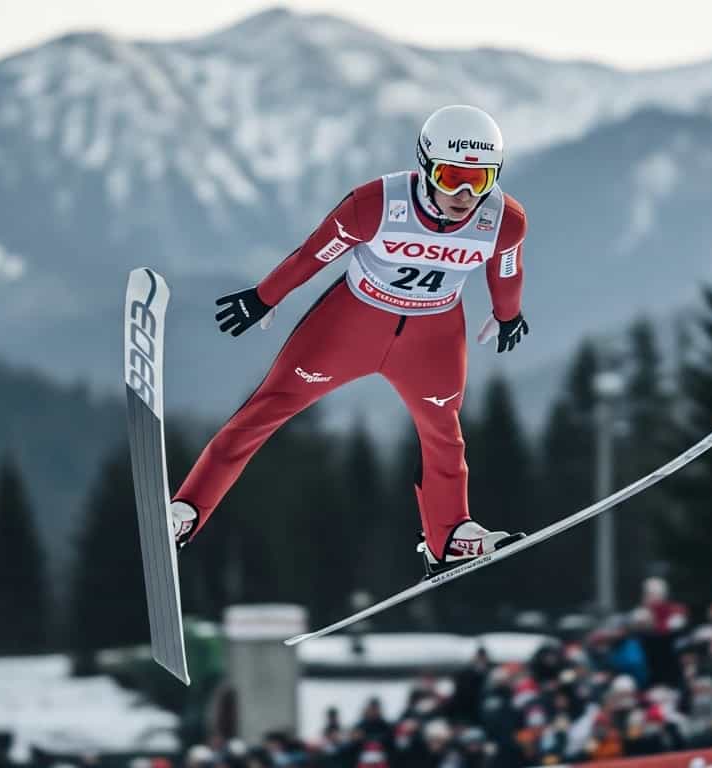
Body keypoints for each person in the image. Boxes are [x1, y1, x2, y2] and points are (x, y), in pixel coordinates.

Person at [166, 104, 531, 573]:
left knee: (443, 432)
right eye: (450, 175)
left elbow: (507, 270)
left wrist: (508, 315)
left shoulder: (505, 220)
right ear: (424, 166)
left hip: (432, 337)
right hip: (351, 324)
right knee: (267, 407)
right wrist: (264, 296)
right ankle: (187, 511)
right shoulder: (376, 204)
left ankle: (449, 537)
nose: (463, 193)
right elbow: (313, 255)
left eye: (478, 180)